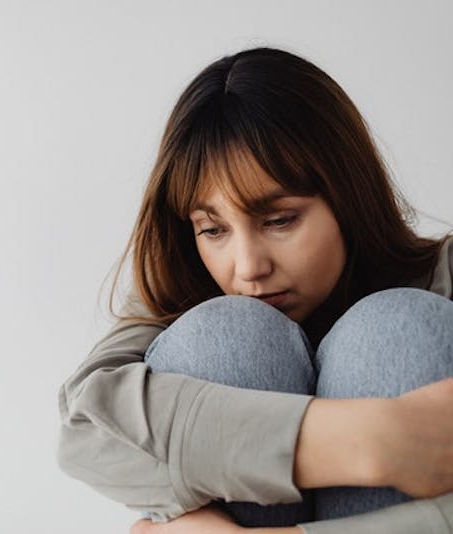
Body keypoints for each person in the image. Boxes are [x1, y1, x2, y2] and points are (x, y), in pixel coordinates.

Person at [56, 47, 453, 533]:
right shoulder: (182, 294)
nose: (247, 268)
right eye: (213, 230)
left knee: (397, 327)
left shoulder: (443, 275)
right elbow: (86, 431)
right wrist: (371, 439)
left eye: (280, 220)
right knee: (225, 334)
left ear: (349, 197)